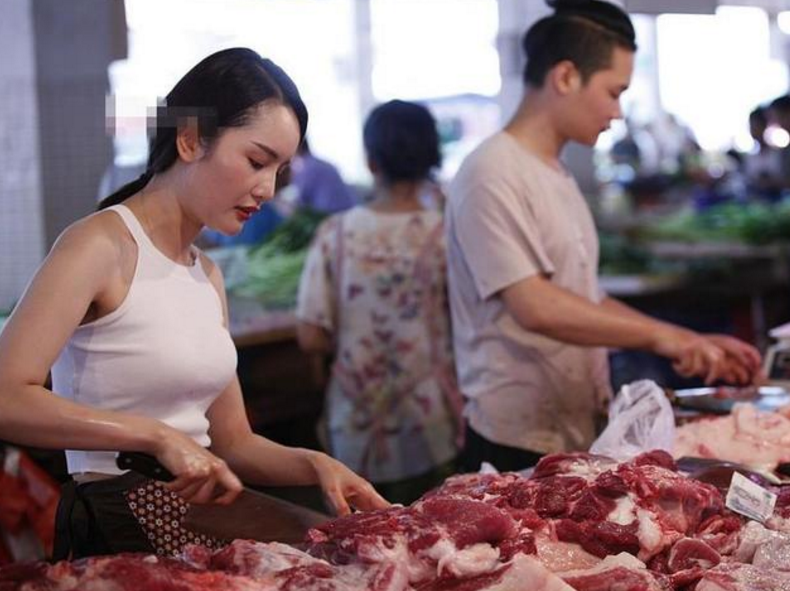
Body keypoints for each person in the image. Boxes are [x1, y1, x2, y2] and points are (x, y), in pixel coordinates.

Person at [0, 48, 388, 560]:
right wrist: (155, 437)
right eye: (256, 161)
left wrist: (313, 463)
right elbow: (7, 395)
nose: (267, 189)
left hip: (198, 515)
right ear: (189, 140)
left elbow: (233, 443)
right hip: (119, 520)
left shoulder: (206, 274)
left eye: (279, 170)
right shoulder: (98, 245)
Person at [445, 0, 763, 474]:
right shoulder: (492, 172)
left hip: (572, 426)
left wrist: (692, 340)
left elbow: (582, 298)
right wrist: (664, 337)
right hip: (515, 440)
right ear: (566, 76)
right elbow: (536, 305)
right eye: (614, 92)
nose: (617, 112)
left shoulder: (554, 171)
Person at [296, 100, 462, 505]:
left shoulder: (336, 233)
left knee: (360, 543)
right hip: (432, 422)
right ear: (432, 161)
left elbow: (311, 336)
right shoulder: (447, 233)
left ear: (371, 162)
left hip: (357, 426)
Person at [289, 138, 359, 214]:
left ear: (297, 147)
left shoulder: (306, 167)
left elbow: (301, 200)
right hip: (350, 211)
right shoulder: (321, 163)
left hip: (331, 214)